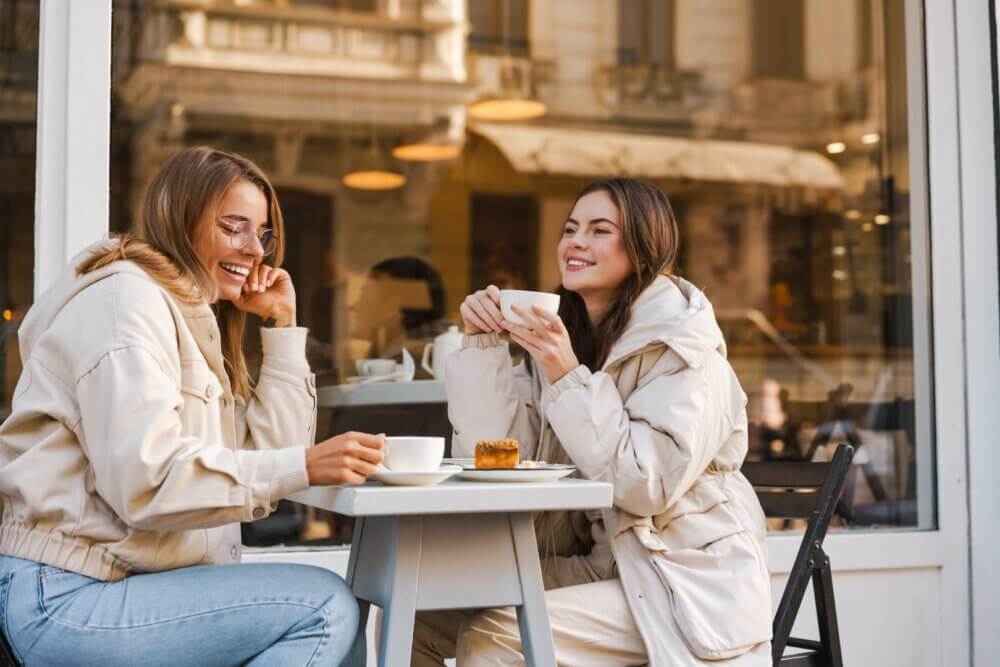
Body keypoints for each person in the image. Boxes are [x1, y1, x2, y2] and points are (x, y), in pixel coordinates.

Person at [0, 147, 385, 666]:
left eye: (264, 233)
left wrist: (284, 328)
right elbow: (148, 481)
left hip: (127, 586)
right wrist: (303, 465)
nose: (257, 251)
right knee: (323, 609)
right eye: (234, 227)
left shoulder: (187, 317)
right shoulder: (126, 305)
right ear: (182, 221)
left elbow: (274, 456)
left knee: (346, 629)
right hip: (70, 595)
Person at [415, 178, 772, 666]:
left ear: (645, 247)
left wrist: (565, 375)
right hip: (601, 568)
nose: (575, 242)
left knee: (498, 633)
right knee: (423, 608)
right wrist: (482, 347)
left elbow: (644, 485)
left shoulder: (686, 352)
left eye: (599, 230)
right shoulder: (572, 340)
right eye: (570, 228)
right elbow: (502, 454)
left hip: (679, 580)